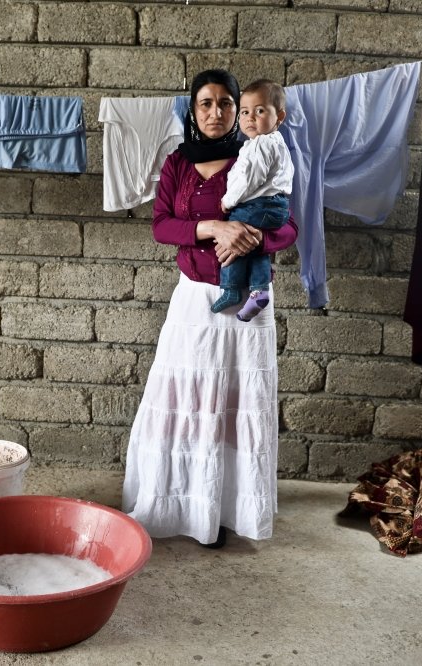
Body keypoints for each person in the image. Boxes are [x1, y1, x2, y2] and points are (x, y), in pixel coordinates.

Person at [121, 70, 299, 548]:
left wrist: (258, 235)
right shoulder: (178, 163)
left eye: (226, 103)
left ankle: (223, 511)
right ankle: (177, 504)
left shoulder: (258, 149)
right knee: (188, 398)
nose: (217, 113)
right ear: (193, 110)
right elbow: (161, 226)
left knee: (235, 403)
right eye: (206, 103)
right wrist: (213, 229)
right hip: (195, 300)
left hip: (246, 306)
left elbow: (289, 226)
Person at [213, 79, 294, 322]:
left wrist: (227, 201)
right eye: (245, 112)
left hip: (260, 204)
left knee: (236, 232)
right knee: (254, 245)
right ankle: (259, 290)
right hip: (276, 206)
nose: (250, 118)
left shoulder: (261, 144)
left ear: (279, 117)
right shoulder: (277, 143)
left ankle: (231, 288)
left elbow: (248, 179)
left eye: (260, 111)